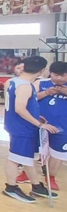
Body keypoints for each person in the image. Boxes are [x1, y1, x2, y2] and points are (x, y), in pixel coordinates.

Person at [2, 56, 58, 203]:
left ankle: (36, 185)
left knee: (27, 158)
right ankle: (11, 187)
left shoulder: (13, 81)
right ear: (42, 70)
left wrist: (36, 116)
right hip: (22, 128)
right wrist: (39, 124)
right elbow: (19, 109)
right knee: (15, 158)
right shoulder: (25, 86)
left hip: (21, 125)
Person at [35, 61, 67, 191]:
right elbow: (30, 98)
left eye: (63, 75)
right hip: (40, 124)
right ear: (50, 73)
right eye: (55, 75)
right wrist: (47, 93)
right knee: (31, 150)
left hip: (63, 126)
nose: (59, 78)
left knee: (58, 153)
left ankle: (51, 178)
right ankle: (26, 173)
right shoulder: (40, 83)